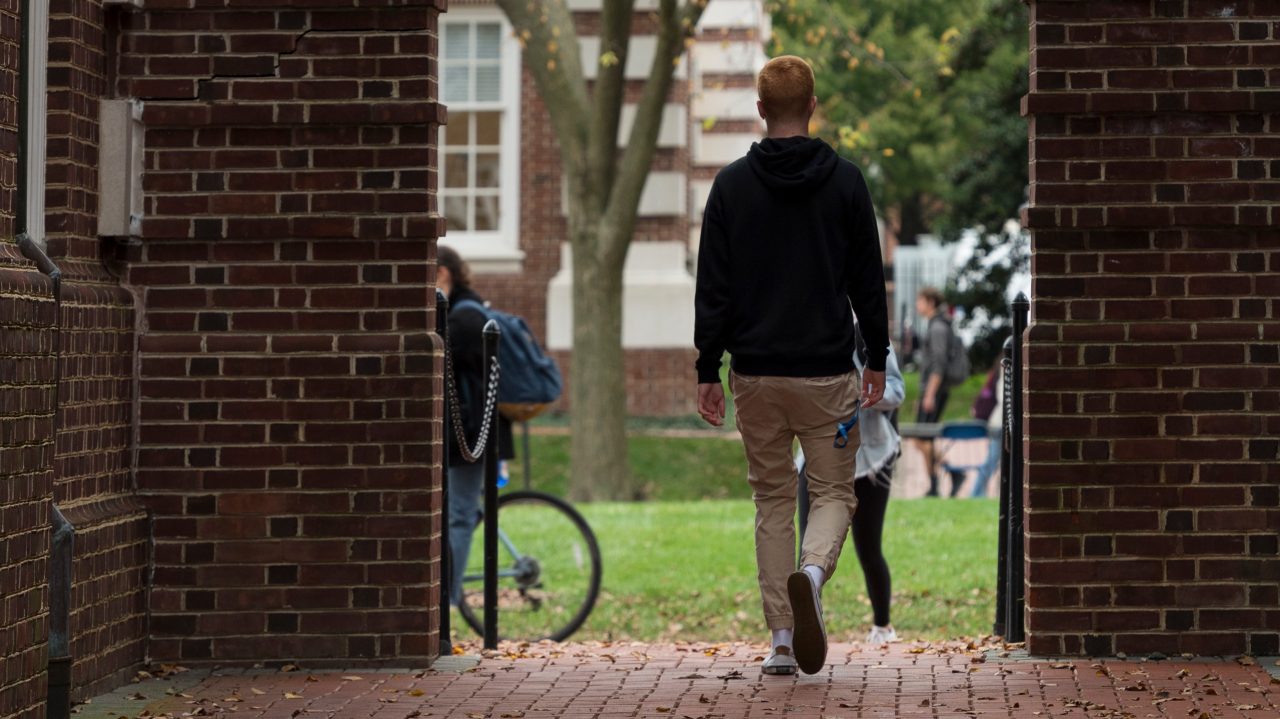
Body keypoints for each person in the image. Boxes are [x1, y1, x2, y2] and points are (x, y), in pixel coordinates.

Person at [693, 55, 889, 677]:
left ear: (760, 109)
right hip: (827, 372)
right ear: (811, 105)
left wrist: (707, 367)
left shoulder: (730, 187)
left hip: (754, 375)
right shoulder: (847, 182)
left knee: (772, 499)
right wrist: (876, 358)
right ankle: (811, 572)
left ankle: (781, 638)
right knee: (833, 492)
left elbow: (713, 287)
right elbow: (867, 281)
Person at [796, 327, 905, 644]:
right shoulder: (806, 336)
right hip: (817, 458)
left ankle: (882, 627)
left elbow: (897, 391)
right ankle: (803, 630)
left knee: (868, 547)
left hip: (869, 460)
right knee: (809, 550)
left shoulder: (867, 337)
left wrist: (863, 390)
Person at [437, 245, 515, 608]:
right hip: (475, 432)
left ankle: (448, 603)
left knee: (456, 518)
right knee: (461, 511)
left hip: (468, 436)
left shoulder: (461, 320)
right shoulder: (470, 311)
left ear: (442, 275)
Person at [912, 287, 959, 497]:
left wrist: (930, 394)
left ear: (930, 302)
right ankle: (949, 475)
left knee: (924, 439)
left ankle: (936, 484)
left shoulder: (938, 327)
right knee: (921, 439)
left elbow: (939, 364)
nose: (917, 305)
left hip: (935, 391)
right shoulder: (935, 325)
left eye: (919, 300)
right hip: (930, 390)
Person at [969, 364, 1003, 498]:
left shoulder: (998, 370)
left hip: (998, 422)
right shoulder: (1005, 367)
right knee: (991, 460)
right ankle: (976, 493)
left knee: (992, 460)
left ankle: (978, 492)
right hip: (999, 423)